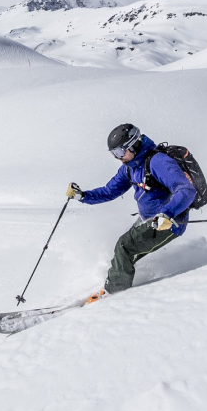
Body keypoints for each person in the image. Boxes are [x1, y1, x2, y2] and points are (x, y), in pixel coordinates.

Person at [66, 123, 197, 302]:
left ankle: (115, 296)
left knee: (124, 247)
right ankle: (115, 284)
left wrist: (167, 213)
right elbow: (109, 191)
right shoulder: (130, 167)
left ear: (134, 145)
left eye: (120, 152)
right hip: (148, 219)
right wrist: (83, 196)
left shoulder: (158, 162)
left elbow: (186, 189)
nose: (118, 158)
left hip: (169, 222)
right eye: (114, 154)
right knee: (124, 251)